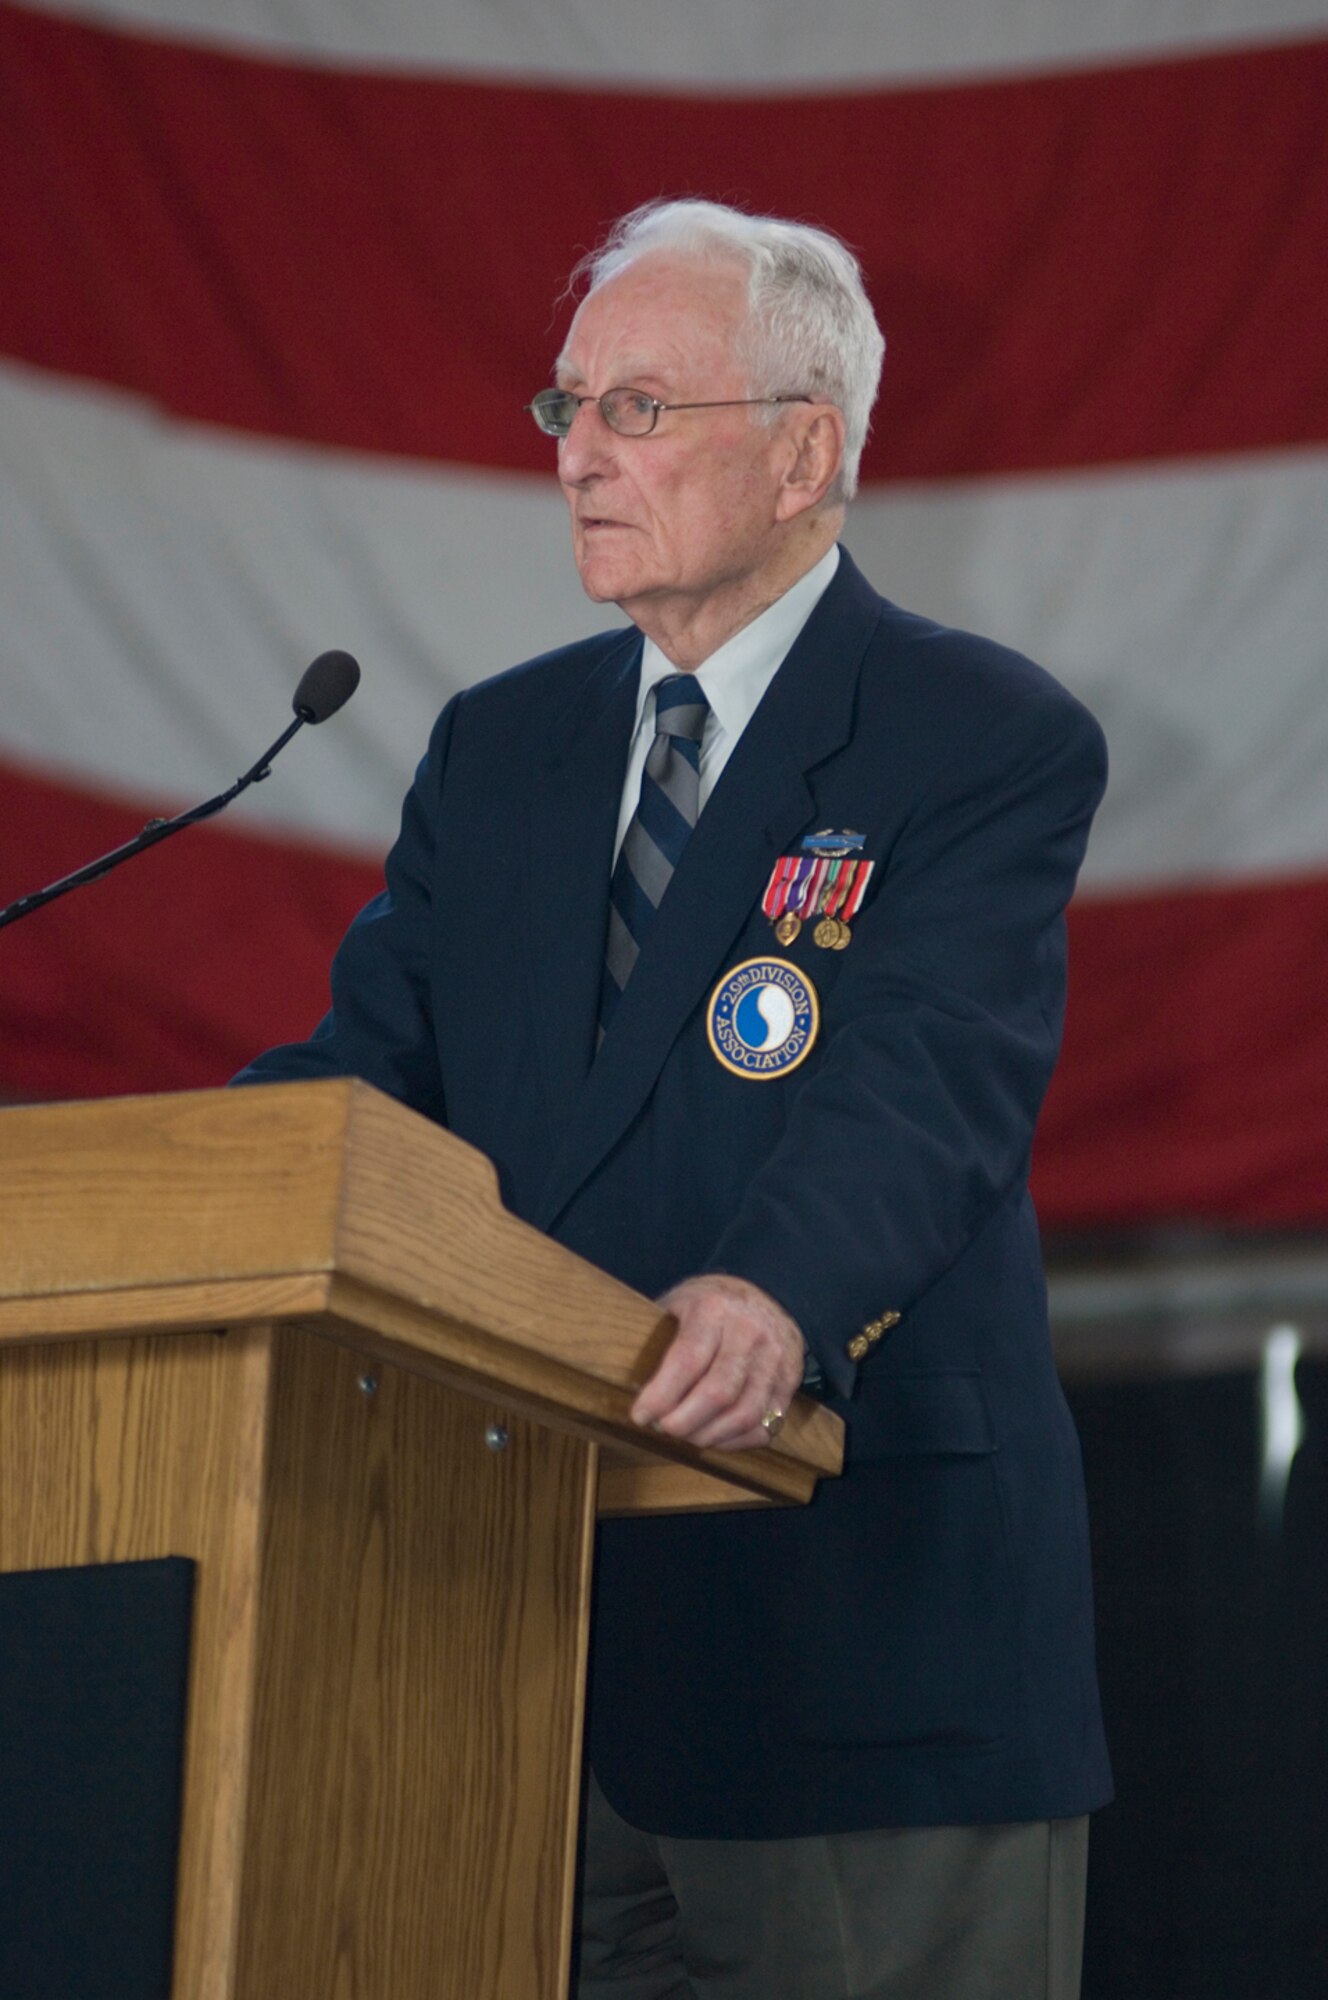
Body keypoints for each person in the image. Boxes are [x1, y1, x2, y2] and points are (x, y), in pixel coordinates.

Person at [237, 199, 1112, 1998]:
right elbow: (363, 1085)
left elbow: (923, 1083)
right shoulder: (505, 745)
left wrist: (776, 1292)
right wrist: (179, 1186)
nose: (580, 460)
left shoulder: (976, 734)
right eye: (569, 411)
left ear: (806, 453)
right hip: (516, 1659)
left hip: (853, 1630)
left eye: (642, 409)